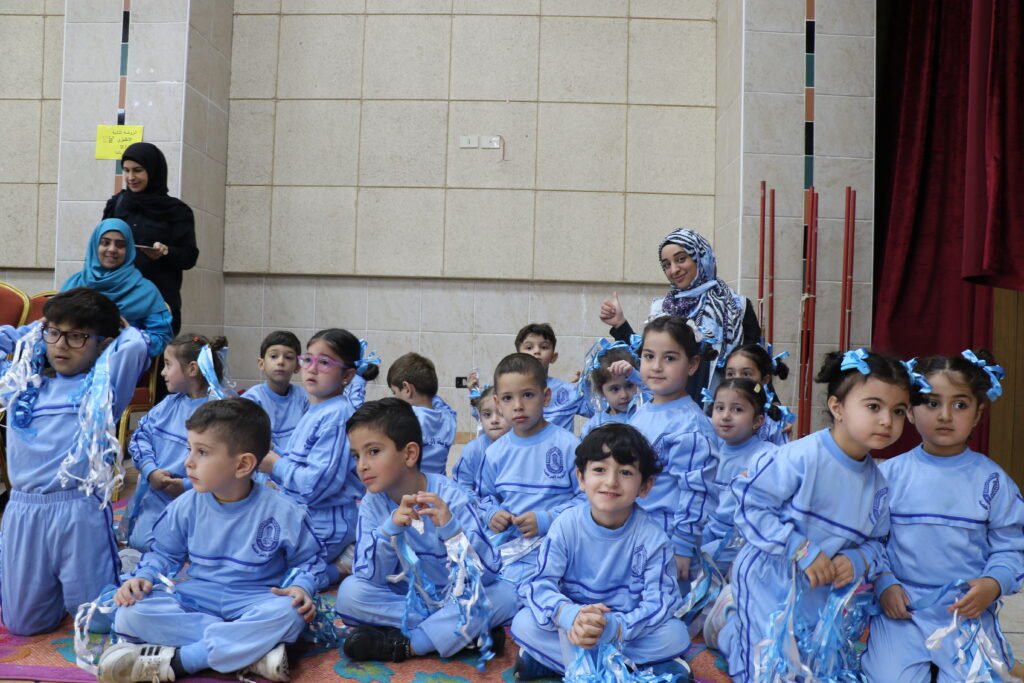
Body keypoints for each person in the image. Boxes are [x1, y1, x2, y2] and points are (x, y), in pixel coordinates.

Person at [99, 399, 327, 683]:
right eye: (189, 449)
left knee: (291, 613)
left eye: (202, 452)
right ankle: (252, 652)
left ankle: (182, 661)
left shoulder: (285, 511)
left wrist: (301, 586)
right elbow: (164, 554)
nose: (188, 462)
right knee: (130, 613)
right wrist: (144, 576)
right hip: (197, 600)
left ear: (242, 464)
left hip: (255, 600)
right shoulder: (186, 505)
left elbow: (309, 561)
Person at [717, 350, 910, 682]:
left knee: (818, 669)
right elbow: (749, 505)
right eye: (873, 407)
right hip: (769, 580)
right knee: (768, 671)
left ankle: (733, 627)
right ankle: (730, 630)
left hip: (821, 591)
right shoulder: (801, 457)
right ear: (837, 407)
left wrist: (857, 559)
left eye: (899, 411)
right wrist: (801, 548)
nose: (887, 421)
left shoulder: (878, 485)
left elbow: (879, 543)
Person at [862, 352, 1024, 681]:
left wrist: (993, 583)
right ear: (909, 410)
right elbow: (871, 542)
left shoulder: (993, 482)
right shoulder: (889, 476)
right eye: (932, 403)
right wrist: (885, 583)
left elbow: (1012, 547)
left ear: (978, 414)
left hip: (965, 609)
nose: (945, 415)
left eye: (960, 405)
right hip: (902, 610)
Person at [0, 288, 149, 635]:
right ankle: (52, 586)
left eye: (77, 336)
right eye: (54, 332)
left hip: (78, 511)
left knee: (98, 621)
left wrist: (118, 326)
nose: (62, 345)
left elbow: (136, 346)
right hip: (23, 511)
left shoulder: (102, 388)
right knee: (24, 625)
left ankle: (127, 564)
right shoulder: (23, 384)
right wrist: (35, 331)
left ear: (102, 344)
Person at [337, 398, 517, 663]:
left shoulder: (451, 498)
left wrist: (452, 532)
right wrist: (389, 531)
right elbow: (369, 576)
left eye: (373, 451)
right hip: (409, 600)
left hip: (456, 596)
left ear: (410, 454)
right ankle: (458, 634)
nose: (361, 465)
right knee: (349, 594)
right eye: (356, 455)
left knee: (506, 596)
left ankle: (409, 645)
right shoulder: (372, 504)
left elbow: (489, 573)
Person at [510, 423, 690, 681]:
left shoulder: (653, 538)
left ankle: (553, 662)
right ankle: (628, 668)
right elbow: (539, 584)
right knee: (523, 622)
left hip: (623, 630)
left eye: (625, 472)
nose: (611, 481)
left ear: (645, 486)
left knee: (675, 634)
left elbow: (660, 601)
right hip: (575, 626)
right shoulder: (565, 525)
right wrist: (570, 615)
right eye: (599, 470)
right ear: (581, 478)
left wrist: (615, 628)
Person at [258, 328, 376, 585]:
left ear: (347, 375)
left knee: (275, 578)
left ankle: (339, 568)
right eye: (308, 359)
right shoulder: (317, 409)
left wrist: (276, 465)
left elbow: (316, 485)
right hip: (304, 516)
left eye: (324, 362)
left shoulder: (337, 415)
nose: (311, 369)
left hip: (326, 522)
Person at [599, 228, 760, 399]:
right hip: (669, 405)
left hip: (722, 407)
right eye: (667, 265)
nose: (674, 270)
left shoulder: (736, 306)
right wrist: (620, 324)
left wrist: (769, 405)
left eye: (681, 259)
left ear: (700, 257)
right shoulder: (662, 309)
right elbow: (645, 358)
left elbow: (756, 362)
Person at [478, 353, 584, 582]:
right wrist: (492, 514)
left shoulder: (569, 446)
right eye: (507, 398)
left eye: (527, 395)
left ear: (546, 397)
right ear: (497, 403)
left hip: (558, 552)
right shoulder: (495, 453)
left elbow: (588, 501)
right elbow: (484, 497)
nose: (518, 406)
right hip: (508, 555)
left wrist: (547, 519)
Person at [629, 315, 718, 582]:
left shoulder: (690, 425)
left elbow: (697, 491)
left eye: (669, 358)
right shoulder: (643, 411)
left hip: (666, 543)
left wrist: (683, 545)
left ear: (692, 364)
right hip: (633, 534)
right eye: (649, 356)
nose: (656, 367)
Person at [122, 334, 229, 553]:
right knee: (140, 543)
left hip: (203, 500)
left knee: (200, 551)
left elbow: (227, 465)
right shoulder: (168, 405)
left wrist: (188, 486)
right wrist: (151, 471)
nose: (162, 372)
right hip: (158, 495)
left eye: (168, 364)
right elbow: (140, 437)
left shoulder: (221, 412)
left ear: (192, 369)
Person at [103, 142, 198, 334]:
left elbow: (189, 257)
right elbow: (102, 243)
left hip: (158, 303)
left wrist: (166, 252)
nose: (131, 177)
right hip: (119, 298)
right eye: (126, 170)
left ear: (153, 171)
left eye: (137, 170)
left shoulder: (177, 211)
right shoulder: (117, 204)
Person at [60, 218, 172, 357]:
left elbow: (161, 338)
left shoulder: (146, 291)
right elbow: (55, 327)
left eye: (120, 245)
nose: (112, 249)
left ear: (129, 249)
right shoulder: (74, 284)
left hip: (123, 364)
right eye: (105, 243)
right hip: (73, 362)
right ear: (95, 246)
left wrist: (129, 339)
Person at [701, 378, 777, 574]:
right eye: (719, 408)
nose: (726, 416)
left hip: (740, 539)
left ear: (758, 421)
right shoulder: (708, 448)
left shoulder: (766, 456)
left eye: (737, 410)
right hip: (707, 531)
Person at [387, 352, 457, 475]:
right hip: (440, 484)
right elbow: (439, 402)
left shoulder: (408, 420)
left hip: (413, 485)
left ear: (407, 389)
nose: (395, 398)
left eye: (395, 392)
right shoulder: (449, 418)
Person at [516, 323, 593, 432]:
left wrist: (589, 386)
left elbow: (596, 411)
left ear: (553, 357)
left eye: (544, 347)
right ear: (518, 356)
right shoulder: (507, 392)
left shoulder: (568, 391)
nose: (536, 351)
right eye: (529, 347)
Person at [243, 330, 308, 454]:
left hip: (295, 460)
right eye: (274, 356)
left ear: (297, 366)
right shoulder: (253, 399)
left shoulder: (300, 396)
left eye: (288, 357)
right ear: (261, 364)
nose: (281, 362)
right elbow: (251, 443)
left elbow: (305, 435)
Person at [722, 343, 793, 445]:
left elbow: (782, 453)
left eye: (746, 374)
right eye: (730, 374)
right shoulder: (717, 413)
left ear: (765, 379)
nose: (737, 380)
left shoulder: (774, 422)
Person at [452, 384, 510, 499]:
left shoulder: (521, 449)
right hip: (477, 507)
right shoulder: (472, 450)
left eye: (501, 413)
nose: (494, 420)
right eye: (487, 415)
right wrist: (480, 506)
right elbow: (461, 488)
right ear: (480, 418)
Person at [578, 346, 641, 438]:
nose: (624, 395)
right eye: (615, 389)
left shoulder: (643, 414)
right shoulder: (595, 425)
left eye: (629, 386)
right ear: (601, 391)